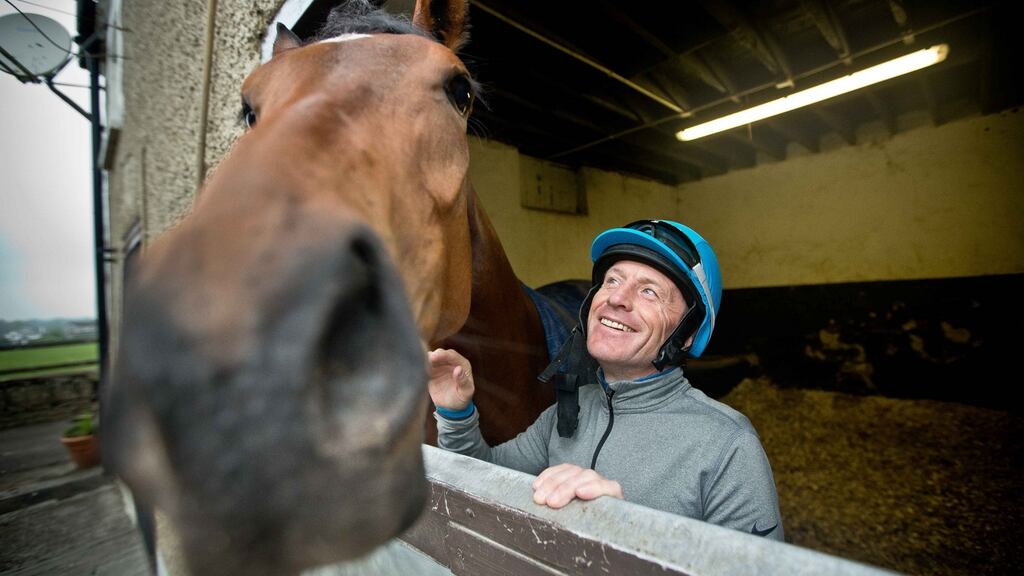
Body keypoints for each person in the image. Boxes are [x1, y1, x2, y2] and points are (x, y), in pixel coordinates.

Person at [429, 219, 784, 541]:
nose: (616, 298)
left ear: (687, 333)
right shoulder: (566, 412)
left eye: (649, 292)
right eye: (612, 280)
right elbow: (480, 474)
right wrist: (455, 410)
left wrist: (624, 531)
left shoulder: (727, 445)